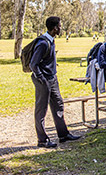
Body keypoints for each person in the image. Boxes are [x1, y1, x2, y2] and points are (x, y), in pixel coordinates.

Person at [29, 16, 82, 149]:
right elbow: (33, 64)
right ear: (54, 28)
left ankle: (63, 135)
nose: (61, 28)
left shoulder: (51, 40)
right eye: (59, 26)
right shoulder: (43, 43)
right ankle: (42, 140)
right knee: (41, 109)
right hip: (44, 80)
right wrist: (41, 78)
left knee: (58, 104)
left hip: (52, 78)